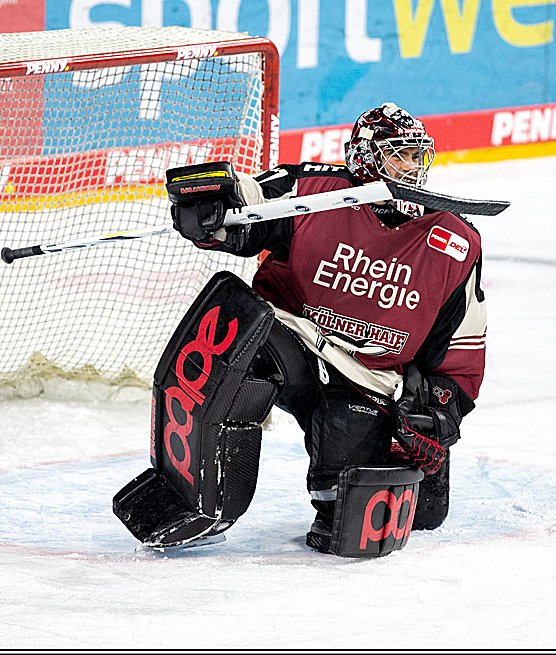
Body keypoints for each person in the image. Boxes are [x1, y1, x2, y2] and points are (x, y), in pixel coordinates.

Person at [118, 103, 486, 556]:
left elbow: (462, 342)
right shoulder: (312, 191)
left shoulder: (455, 243)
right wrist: (208, 211)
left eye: (416, 156)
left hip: (365, 377)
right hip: (289, 338)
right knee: (237, 344)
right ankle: (191, 496)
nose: (411, 168)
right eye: (398, 155)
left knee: (351, 526)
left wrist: (443, 405)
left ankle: (342, 481)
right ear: (367, 157)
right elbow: (247, 204)